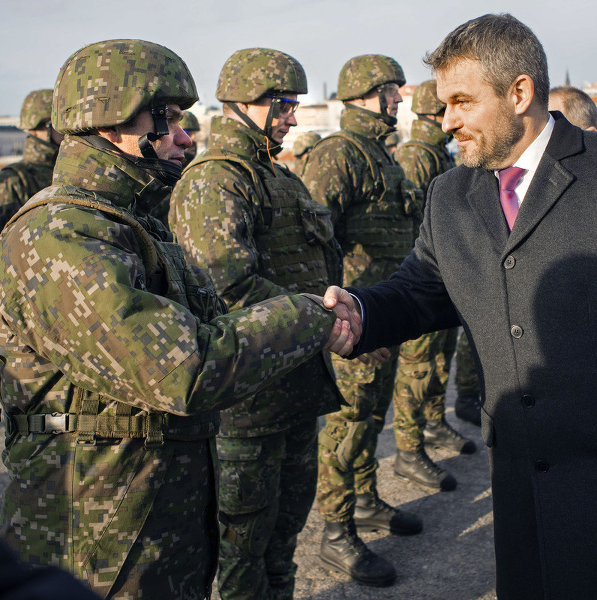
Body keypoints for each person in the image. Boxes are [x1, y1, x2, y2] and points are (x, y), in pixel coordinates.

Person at [325, 14, 597, 599]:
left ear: (519, 93)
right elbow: (421, 290)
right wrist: (362, 314)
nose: (448, 123)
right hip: (522, 491)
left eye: (462, 102)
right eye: (444, 105)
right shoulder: (451, 194)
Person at [0, 39, 358, 600]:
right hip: (97, 539)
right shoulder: (62, 237)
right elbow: (186, 368)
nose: (185, 136)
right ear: (110, 126)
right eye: (167, 120)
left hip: (144, 518)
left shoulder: (128, 222)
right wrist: (310, 315)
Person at [170, 47, 344, 600]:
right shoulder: (215, 180)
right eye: (283, 104)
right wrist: (324, 320)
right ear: (243, 104)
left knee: (283, 537)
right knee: (241, 549)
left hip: (292, 389)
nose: (292, 117)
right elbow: (227, 286)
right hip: (246, 406)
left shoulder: (277, 177)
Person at [300, 54, 424, 587]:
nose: (398, 100)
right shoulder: (338, 155)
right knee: (347, 427)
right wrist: (342, 324)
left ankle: (366, 501)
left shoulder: (379, 153)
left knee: (371, 418)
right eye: (391, 91)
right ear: (365, 96)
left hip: (381, 315)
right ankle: (336, 531)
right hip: (354, 322)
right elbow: (316, 243)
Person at [392, 79, 475, 493]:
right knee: (417, 366)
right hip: (422, 278)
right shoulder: (415, 155)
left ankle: (434, 423)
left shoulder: (436, 155)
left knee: (439, 362)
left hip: (445, 277)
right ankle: (408, 450)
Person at [0, 89, 63, 248]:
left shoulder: (68, 172)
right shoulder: (11, 182)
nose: (67, 131)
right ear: (37, 127)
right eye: (60, 123)